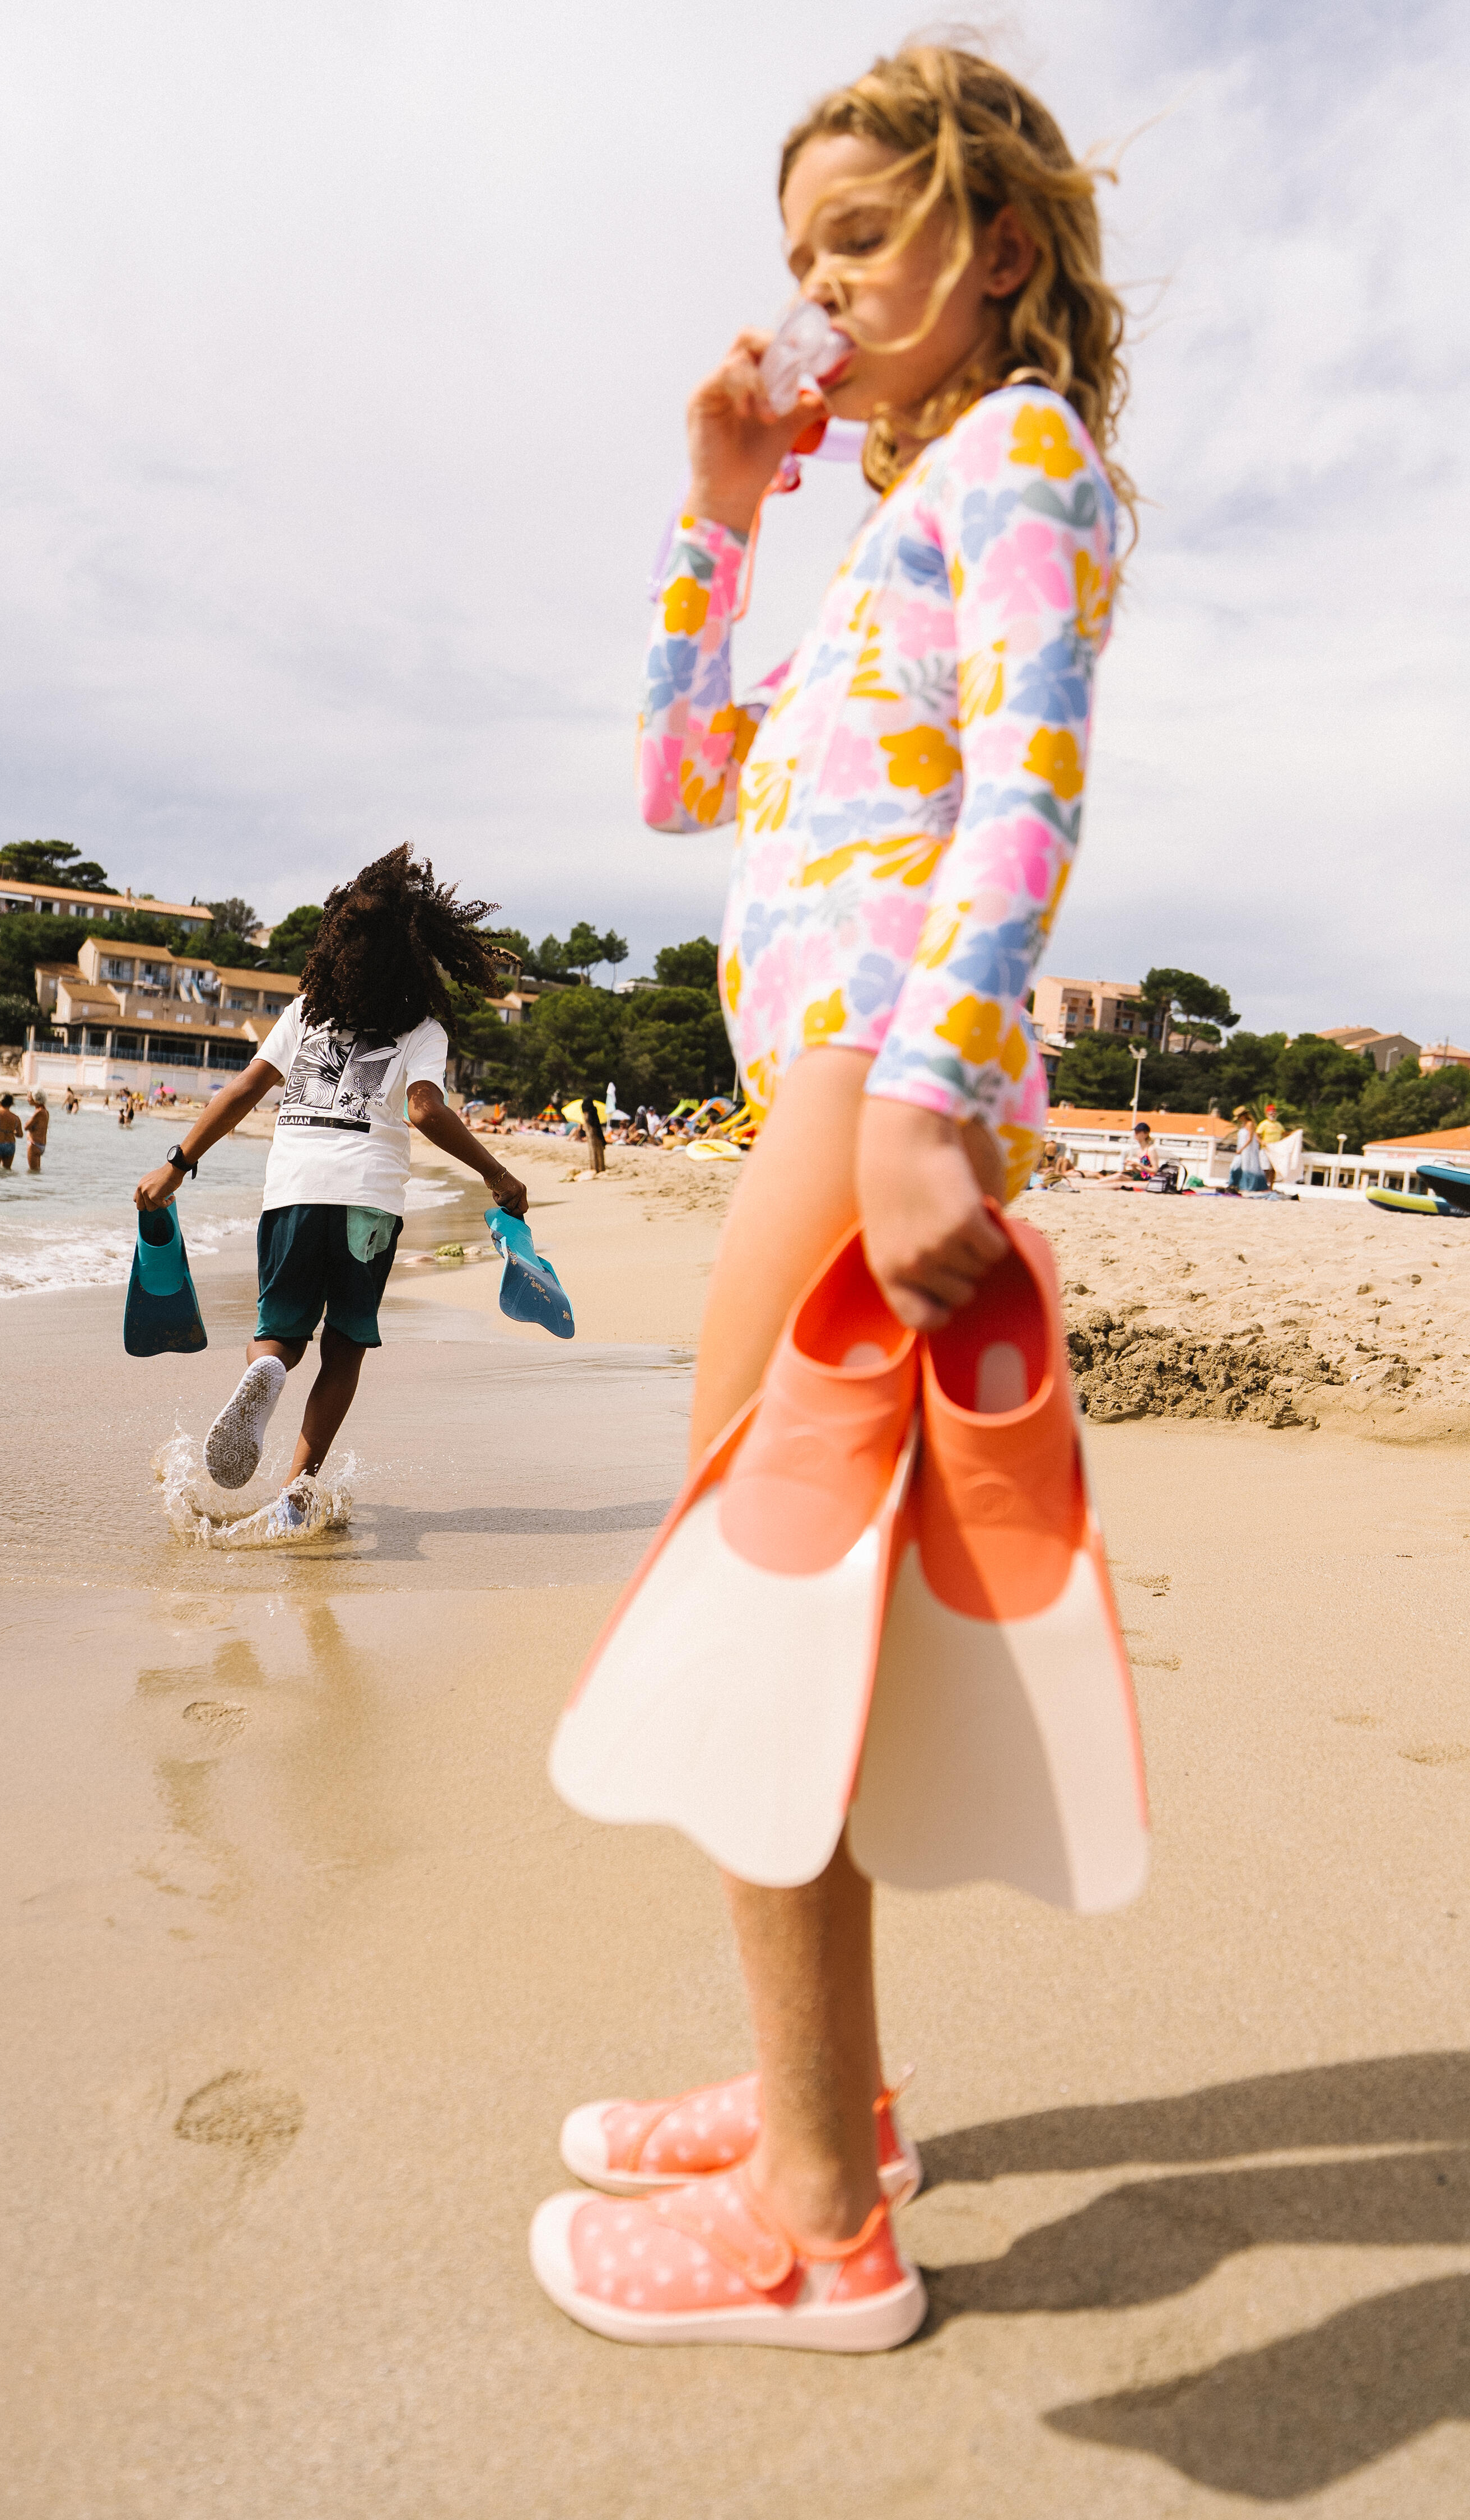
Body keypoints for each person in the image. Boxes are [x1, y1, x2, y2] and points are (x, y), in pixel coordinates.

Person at [530, 43, 1129, 2350]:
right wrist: (718, 506)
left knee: (747, 1613)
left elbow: (1031, 786)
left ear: (998, 245)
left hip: (878, 1071)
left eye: (864, 238)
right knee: (784, 1616)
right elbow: (686, 778)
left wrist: (928, 1095)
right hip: (835, 1075)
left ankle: (816, 2227)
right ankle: (835, 2107)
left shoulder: (1023, 453)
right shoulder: (887, 527)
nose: (820, 291)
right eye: (799, 257)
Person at [135, 847, 529, 1534]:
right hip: (368, 1204)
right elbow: (425, 1111)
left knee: (279, 1334)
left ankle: (267, 1371)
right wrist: (496, 1174)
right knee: (344, 1347)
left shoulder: (305, 1014)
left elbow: (243, 1091)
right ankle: (297, 1491)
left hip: (294, 1191)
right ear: (416, 955)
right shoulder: (423, 1029)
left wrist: (177, 1162)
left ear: (336, 948)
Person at [24, 1091, 50, 1173]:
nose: (28, 1099)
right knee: (36, 1172)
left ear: (36, 1099)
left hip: (34, 1145)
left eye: (29, 1097)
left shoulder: (39, 1112)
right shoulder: (45, 1111)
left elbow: (26, 1127)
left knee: (32, 1173)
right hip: (41, 1144)